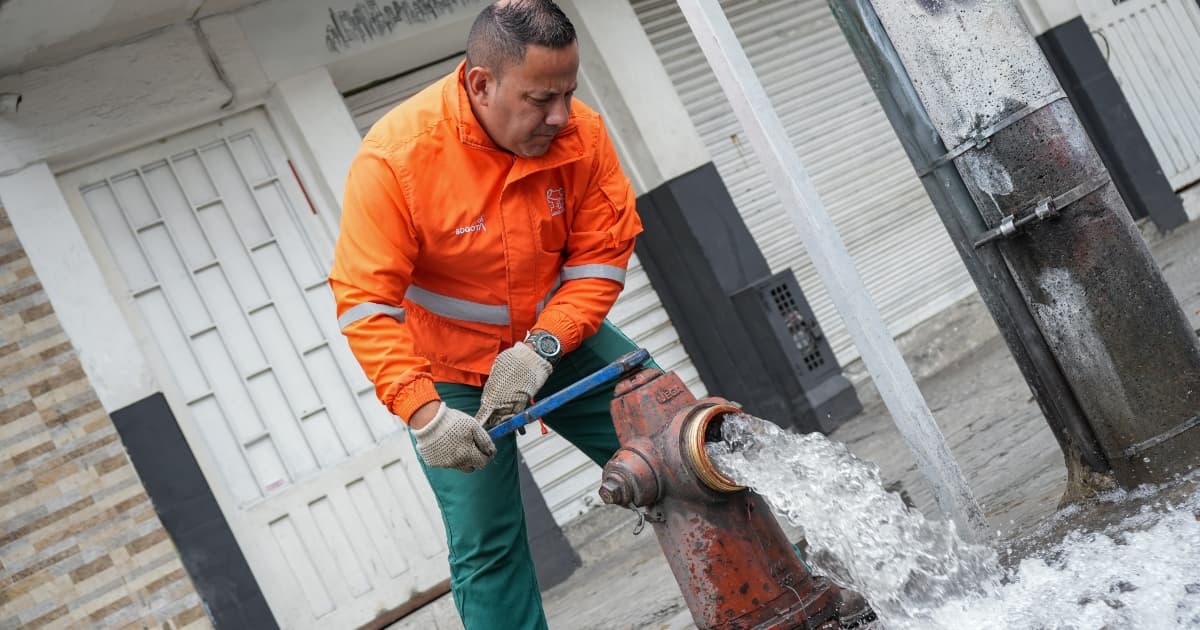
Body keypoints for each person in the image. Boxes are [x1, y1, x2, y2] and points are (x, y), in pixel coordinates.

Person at [329, 1, 644, 627]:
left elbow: (600, 261)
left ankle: (776, 592)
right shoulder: (396, 158)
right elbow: (367, 304)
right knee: (488, 547)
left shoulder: (582, 134)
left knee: (683, 444)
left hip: (559, 340)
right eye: (539, 99)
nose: (561, 117)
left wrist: (543, 348)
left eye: (568, 94)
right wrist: (424, 414)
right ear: (481, 83)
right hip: (446, 371)